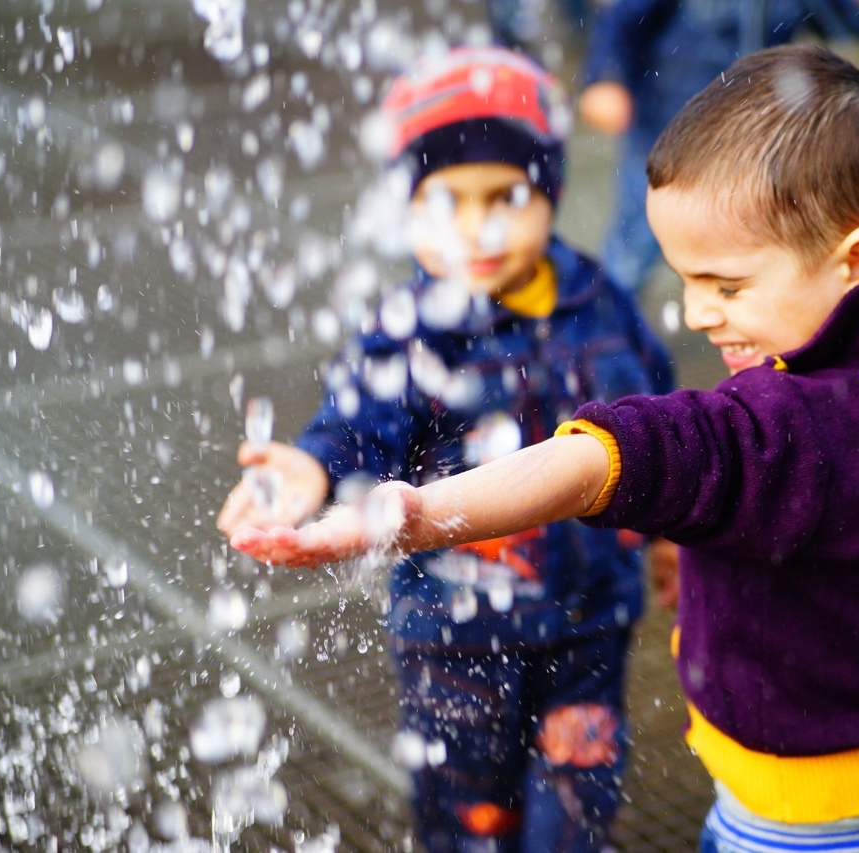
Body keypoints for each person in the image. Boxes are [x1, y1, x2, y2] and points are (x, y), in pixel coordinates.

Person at [230, 45, 859, 851]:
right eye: (684, 281)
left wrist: (422, 513)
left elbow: (624, 455)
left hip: (787, 828)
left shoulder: (785, 426)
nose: (696, 313)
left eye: (727, 284)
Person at [218, 46, 674, 852]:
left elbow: (660, 425)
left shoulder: (602, 303)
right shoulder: (413, 334)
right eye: (446, 203)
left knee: (575, 809)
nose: (480, 228)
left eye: (507, 195)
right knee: (466, 813)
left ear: (550, 192)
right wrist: (313, 464)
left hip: (589, 625)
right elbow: (358, 422)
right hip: (457, 641)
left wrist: (674, 529)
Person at [577, 0, 859, 293]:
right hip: (670, 126)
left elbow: (836, 21)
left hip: (756, 134)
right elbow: (623, 22)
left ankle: (750, 320)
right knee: (637, 240)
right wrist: (606, 79)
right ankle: (602, 322)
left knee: (754, 236)